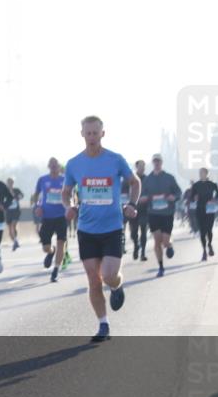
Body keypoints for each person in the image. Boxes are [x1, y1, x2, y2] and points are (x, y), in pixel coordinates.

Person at [61, 116, 140, 342]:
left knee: (108, 275)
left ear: (102, 134)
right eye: (88, 133)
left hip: (112, 228)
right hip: (86, 229)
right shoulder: (74, 163)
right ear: (82, 134)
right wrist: (69, 207)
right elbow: (66, 192)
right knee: (94, 280)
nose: (92, 137)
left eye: (95, 133)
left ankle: (116, 286)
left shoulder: (115, 159)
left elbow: (134, 182)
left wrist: (132, 204)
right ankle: (103, 324)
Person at [139, 154, 182, 277]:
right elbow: (141, 195)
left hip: (167, 213)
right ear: (152, 163)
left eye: (158, 161)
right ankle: (161, 267)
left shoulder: (169, 178)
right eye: (155, 161)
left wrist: (174, 197)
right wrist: (143, 198)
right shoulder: (147, 180)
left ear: (162, 163)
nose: (156, 163)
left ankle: (169, 245)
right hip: (153, 213)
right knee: (157, 241)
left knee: (165, 240)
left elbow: (178, 192)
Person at [34, 157, 68, 282]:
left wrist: (71, 207)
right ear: (48, 166)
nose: (54, 167)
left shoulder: (65, 180)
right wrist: (37, 206)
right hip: (47, 216)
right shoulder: (42, 179)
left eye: (56, 165)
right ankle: (51, 252)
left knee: (61, 243)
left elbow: (72, 194)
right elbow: (36, 195)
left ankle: (56, 270)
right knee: (46, 247)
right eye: (51, 165)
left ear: (59, 167)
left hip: (62, 216)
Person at [191, 168, 218, 260]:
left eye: (203, 173)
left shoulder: (212, 184)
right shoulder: (196, 185)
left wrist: (214, 199)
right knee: (202, 232)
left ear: (207, 174)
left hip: (210, 209)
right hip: (200, 209)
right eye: (200, 173)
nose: (201, 174)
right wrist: (194, 198)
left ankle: (210, 244)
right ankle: (204, 250)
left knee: (209, 230)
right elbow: (191, 197)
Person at [129, 160, 149, 261]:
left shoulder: (148, 179)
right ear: (136, 167)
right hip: (133, 208)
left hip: (145, 209)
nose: (142, 168)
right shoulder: (131, 178)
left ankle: (143, 253)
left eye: (143, 166)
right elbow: (125, 190)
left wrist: (147, 198)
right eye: (140, 166)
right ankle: (136, 245)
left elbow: (152, 191)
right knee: (133, 232)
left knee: (143, 230)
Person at [5, 177, 25, 251]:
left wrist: (15, 195)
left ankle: (15, 241)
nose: (10, 184)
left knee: (13, 225)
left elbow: (21, 196)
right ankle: (15, 241)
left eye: (11, 182)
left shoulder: (16, 190)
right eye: (8, 182)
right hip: (8, 212)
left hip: (16, 211)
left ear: (13, 183)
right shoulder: (4, 191)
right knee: (10, 230)